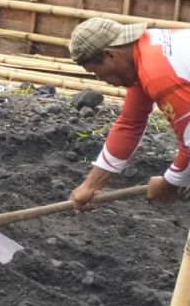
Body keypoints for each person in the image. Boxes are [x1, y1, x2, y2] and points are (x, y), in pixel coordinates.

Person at [67, 18, 190, 210]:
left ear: (110, 56)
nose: (102, 80)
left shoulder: (159, 74)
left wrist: (169, 182)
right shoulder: (146, 51)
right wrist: (90, 185)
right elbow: (130, 124)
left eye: (97, 72)